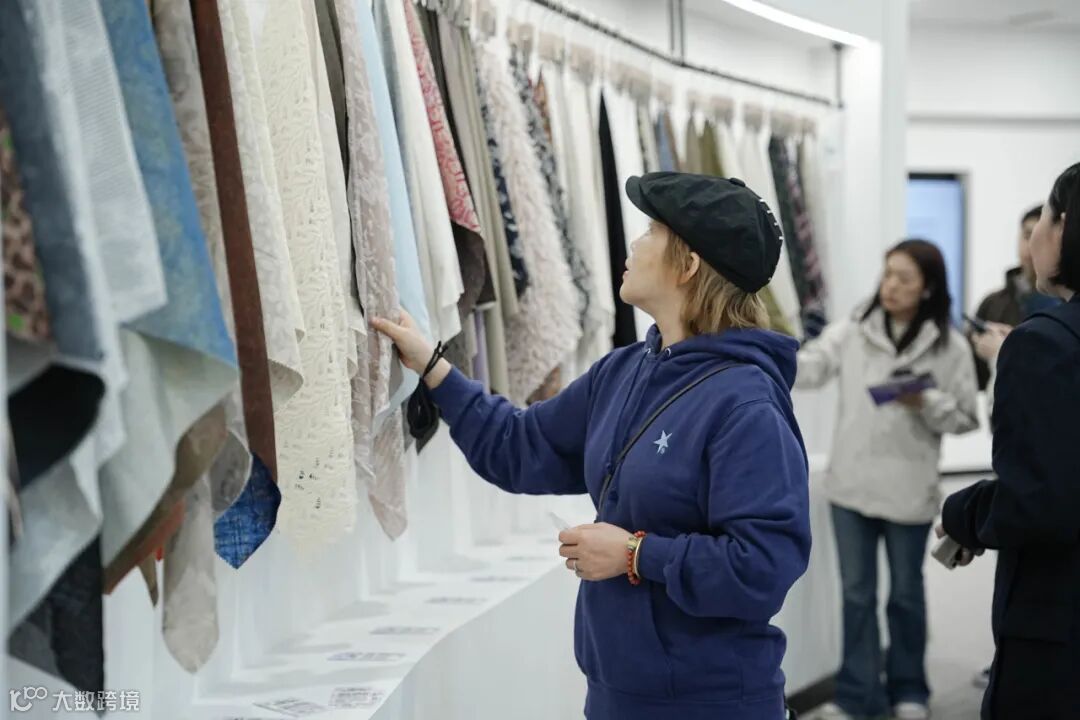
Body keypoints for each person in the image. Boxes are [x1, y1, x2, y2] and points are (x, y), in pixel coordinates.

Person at [373, 172, 811, 720]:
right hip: (616, 697)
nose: (635, 243)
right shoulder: (624, 372)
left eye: (651, 231)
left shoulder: (746, 405)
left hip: (712, 703)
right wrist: (434, 366)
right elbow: (519, 447)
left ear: (688, 265)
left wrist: (635, 553)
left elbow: (763, 567)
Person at [796, 239, 979, 720]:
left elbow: (966, 417)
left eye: (904, 278)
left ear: (928, 288)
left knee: (905, 597)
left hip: (908, 493)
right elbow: (812, 368)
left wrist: (926, 402)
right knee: (856, 597)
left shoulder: (951, 346)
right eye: (887, 273)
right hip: (850, 488)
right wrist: (766, 350)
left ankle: (909, 690)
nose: (890, 286)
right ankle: (855, 695)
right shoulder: (854, 329)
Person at [938, 162, 1080, 720]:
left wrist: (964, 512)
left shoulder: (1045, 344)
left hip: (1059, 622)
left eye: (1042, 218)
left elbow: (1040, 500)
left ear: (1063, 227)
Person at [969, 204, 1060, 394]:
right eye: (1027, 236)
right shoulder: (993, 303)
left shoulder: (1068, 304)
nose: (1032, 246)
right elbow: (974, 378)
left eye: (1043, 238)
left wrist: (1006, 351)